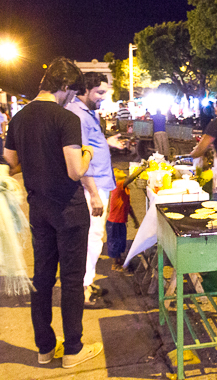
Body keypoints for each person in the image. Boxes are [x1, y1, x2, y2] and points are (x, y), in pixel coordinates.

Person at [3, 57, 103, 368]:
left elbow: (9, 161)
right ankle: (73, 349)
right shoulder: (65, 118)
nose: (71, 98)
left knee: (43, 278)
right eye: (71, 93)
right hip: (69, 209)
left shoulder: (18, 118)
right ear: (63, 87)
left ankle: (44, 348)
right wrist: (87, 153)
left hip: (39, 208)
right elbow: (76, 171)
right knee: (72, 281)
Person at [67, 72, 125, 309]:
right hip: (94, 186)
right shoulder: (78, 115)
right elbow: (79, 156)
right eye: (99, 92)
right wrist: (92, 194)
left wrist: (107, 143)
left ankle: (87, 282)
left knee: (95, 236)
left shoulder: (87, 113)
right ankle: (83, 290)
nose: (103, 97)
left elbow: (90, 144)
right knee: (92, 237)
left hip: (100, 183)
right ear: (85, 90)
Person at [106, 166, 145, 272]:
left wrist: (135, 220)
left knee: (121, 242)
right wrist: (141, 170)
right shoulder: (118, 185)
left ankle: (119, 260)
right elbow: (130, 178)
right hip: (114, 222)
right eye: (117, 171)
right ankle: (115, 264)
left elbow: (128, 206)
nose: (120, 170)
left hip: (121, 221)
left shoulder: (125, 189)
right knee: (115, 243)